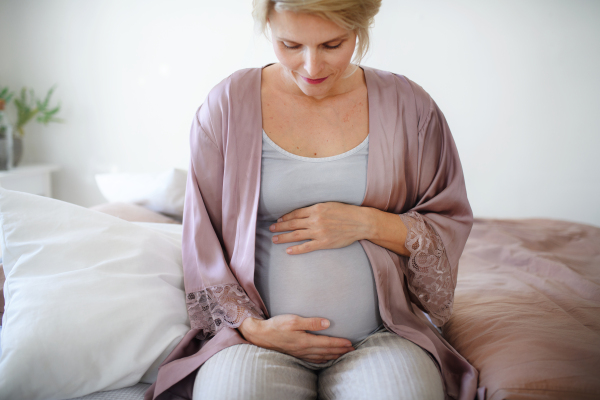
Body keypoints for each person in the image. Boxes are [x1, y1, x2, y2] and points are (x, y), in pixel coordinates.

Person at [144, 1, 478, 399]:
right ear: (267, 26)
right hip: (259, 342)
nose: (311, 66)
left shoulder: (410, 106)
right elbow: (202, 239)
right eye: (290, 44)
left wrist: (366, 222)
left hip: (381, 338)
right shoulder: (229, 105)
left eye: (332, 45)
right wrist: (253, 328)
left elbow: (448, 220)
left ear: (360, 28)